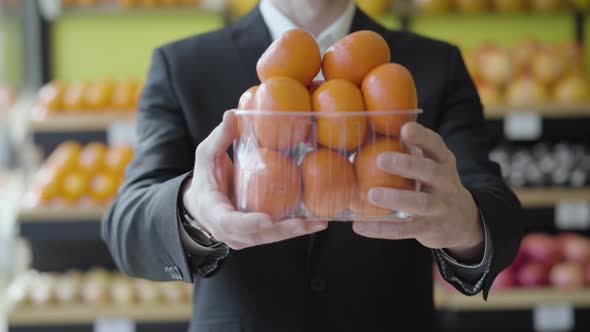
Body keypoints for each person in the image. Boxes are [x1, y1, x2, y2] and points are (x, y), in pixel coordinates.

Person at [102, 0, 522, 331]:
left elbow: (497, 208)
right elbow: (126, 225)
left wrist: (466, 225)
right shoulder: (184, 66)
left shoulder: (433, 65)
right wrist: (195, 209)